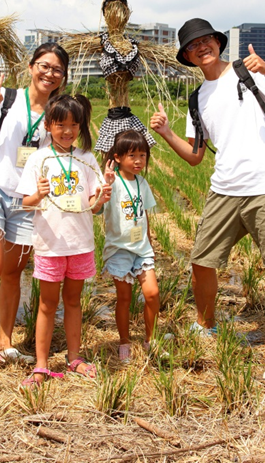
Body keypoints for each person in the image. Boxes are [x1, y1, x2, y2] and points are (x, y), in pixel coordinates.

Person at [150, 18, 265, 381]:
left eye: (207, 39)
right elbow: (195, 156)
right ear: (187, 56)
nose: (201, 46)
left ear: (218, 43)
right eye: (193, 45)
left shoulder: (246, 73)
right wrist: (166, 132)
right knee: (202, 260)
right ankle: (206, 325)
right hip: (224, 188)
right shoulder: (197, 98)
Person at [0, 42, 69, 379]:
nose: (49, 73)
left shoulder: (56, 113)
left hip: (27, 200)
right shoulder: (6, 98)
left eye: (56, 69)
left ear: (63, 77)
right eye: (44, 65)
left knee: (13, 274)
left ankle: (5, 342)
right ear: (31, 66)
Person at [17, 94, 113, 385]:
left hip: (80, 244)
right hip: (50, 245)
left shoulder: (86, 158)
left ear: (81, 125)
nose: (68, 130)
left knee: (73, 302)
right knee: (47, 304)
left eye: (74, 124)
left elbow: (93, 206)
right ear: (48, 125)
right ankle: (42, 364)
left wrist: (102, 196)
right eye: (61, 124)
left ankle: (74, 358)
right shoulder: (38, 158)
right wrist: (40, 194)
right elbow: (26, 203)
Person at [103, 130, 160, 362]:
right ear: (117, 157)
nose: (138, 161)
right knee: (124, 298)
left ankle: (150, 339)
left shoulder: (142, 182)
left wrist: (149, 239)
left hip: (141, 248)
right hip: (119, 249)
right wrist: (104, 186)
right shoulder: (111, 182)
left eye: (143, 155)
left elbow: (144, 212)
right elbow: (97, 207)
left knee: (153, 293)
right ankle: (124, 340)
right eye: (132, 155)